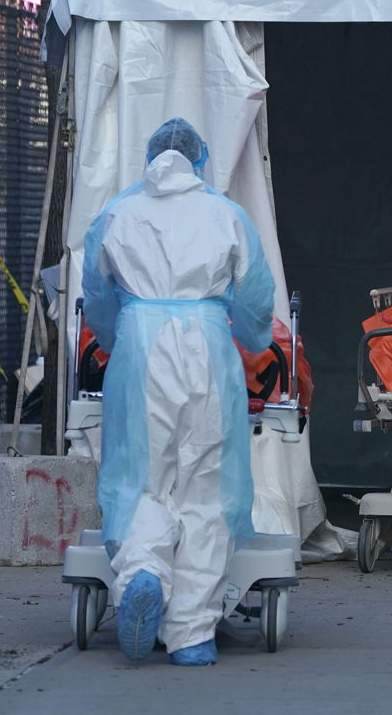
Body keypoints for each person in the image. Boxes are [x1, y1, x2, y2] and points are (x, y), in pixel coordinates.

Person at [82, 118, 274, 666]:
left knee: (142, 479)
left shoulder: (117, 214)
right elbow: (256, 297)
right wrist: (252, 336)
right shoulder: (225, 213)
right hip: (209, 348)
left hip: (140, 347)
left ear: (150, 158)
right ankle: (191, 633)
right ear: (198, 160)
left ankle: (143, 574)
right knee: (206, 488)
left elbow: (97, 297)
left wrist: (115, 331)